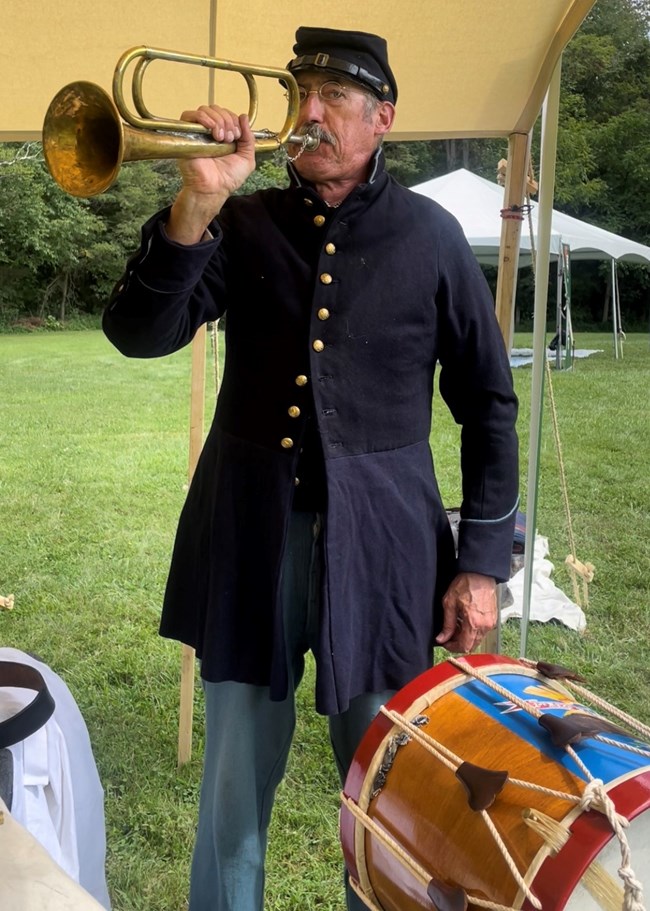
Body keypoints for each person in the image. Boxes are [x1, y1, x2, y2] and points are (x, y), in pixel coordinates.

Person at [103, 26, 519, 911]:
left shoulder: (434, 236)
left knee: (386, 787)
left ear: (384, 119)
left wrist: (482, 565)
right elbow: (139, 333)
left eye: (334, 95)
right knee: (232, 784)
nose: (312, 112)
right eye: (301, 92)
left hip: (386, 549)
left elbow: (488, 402)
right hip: (253, 531)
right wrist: (195, 204)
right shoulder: (240, 219)